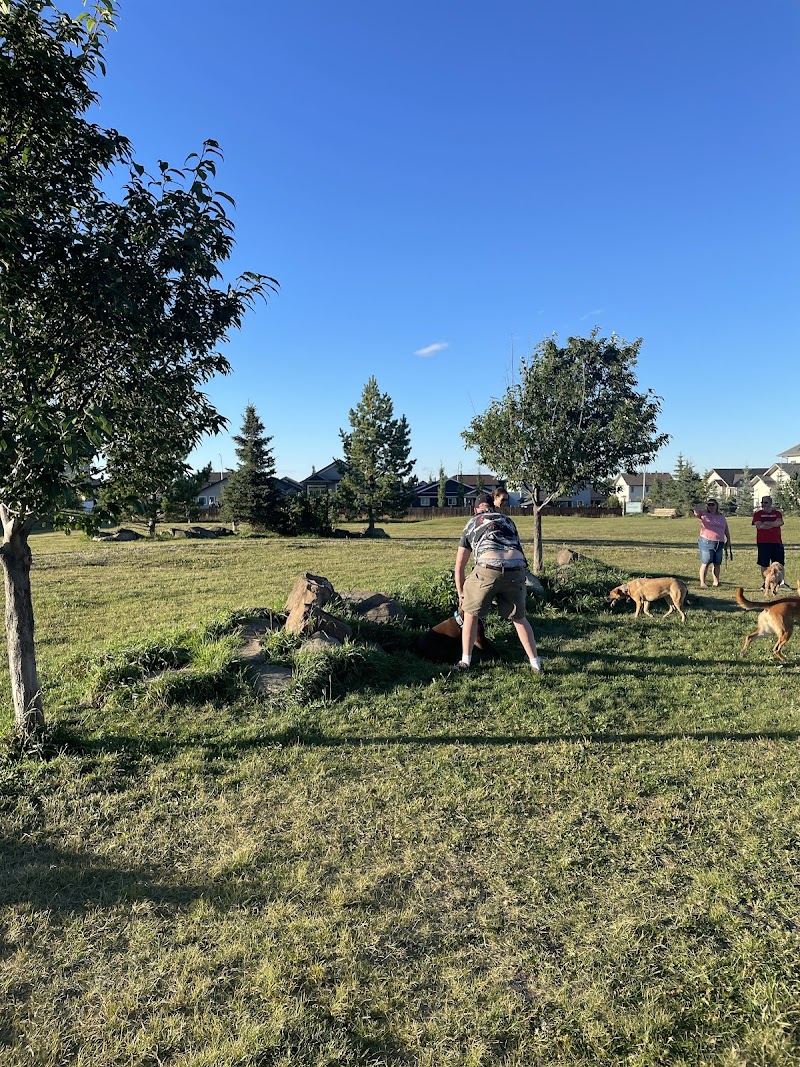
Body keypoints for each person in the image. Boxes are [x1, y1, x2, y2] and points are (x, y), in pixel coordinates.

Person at [454, 492, 542, 672]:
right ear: (493, 507)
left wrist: (462, 594)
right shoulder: (507, 520)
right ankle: (535, 664)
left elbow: (459, 566)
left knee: (470, 613)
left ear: (475, 509)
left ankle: (465, 661)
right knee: (519, 618)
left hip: (488, 568)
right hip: (517, 569)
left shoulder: (472, 522)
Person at [692, 498, 732, 587]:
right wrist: (700, 505)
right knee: (706, 562)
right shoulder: (703, 514)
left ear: (716, 505)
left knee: (717, 563)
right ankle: (702, 582)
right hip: (707, 541)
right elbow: (696, 511)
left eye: (712, 504)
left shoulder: (721, 516)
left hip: (719, 542)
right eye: (709, 505)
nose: (711, 506)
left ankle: (716, 581)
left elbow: (725, 528)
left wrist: (728, 539)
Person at [752, 495, 784, 587]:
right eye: (762, 502)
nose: (763, 504)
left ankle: (779, 583)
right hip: (763, 542)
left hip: (777, 542)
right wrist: (773, 524)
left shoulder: (777, 513)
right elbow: (759, 526)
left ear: (770, 503)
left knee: (779, 564)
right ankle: (766, 583)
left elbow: (780, 522)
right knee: (764, 563)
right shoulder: (758, 514)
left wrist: (766, 522)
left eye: (766, 502)